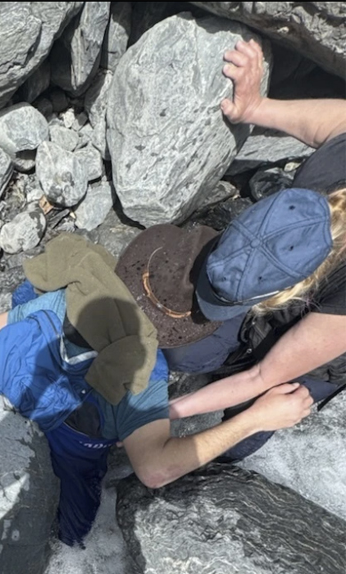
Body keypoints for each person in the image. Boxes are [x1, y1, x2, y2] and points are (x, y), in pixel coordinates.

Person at [0, 233, 311, 544]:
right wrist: (255, 419)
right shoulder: (144, 369)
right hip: (66, 448)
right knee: (73, 533)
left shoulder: (77, 285)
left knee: (26, 297)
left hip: (7, 391)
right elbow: (154, 470)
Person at [120, 38, 346, 461]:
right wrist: (256, 108)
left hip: (323, 341)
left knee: (248, 430)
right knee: (179, 347)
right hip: (276, 276)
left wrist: (164, 414)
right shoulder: (340, 157)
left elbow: (263, 376)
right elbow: (334, 123)